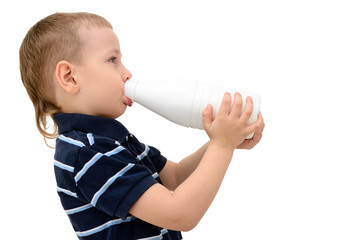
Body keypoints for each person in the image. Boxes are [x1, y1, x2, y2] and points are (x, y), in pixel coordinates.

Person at [19, 12, 265, 240]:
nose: (127, 73)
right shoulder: (87, 153)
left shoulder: (111, 140)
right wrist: (221, 146)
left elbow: (176, 176)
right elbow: (180, 213)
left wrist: (224, 140)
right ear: (70, 77)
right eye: (112, 60)